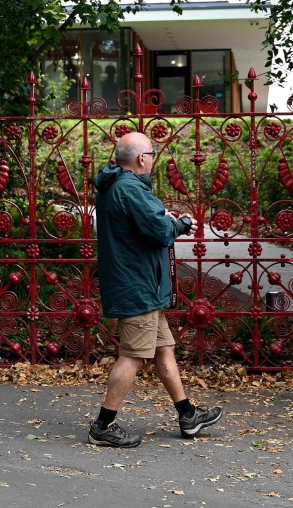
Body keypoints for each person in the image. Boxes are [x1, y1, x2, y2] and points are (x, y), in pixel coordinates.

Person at [88, 131, 223, 448]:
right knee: (133, 356)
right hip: (137, 286)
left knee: (163, 349)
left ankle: (188, 415)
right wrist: (179, 223)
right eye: (151, 153)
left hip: (137, 282)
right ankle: (103, 426)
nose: (152, 158)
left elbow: (143, 225)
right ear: (140, 158)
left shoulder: (113, 186)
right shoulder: (130, 189)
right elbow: (160, 231)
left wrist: (162, 219)